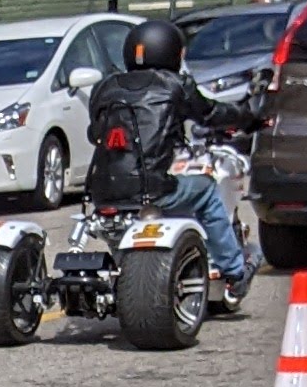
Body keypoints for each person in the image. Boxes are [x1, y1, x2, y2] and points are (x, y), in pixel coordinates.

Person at [87, 17, 255, 306]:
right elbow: (210, 113)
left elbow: (95, 132)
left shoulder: (105, 87)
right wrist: (248, 115)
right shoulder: (175, 85)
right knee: (204, 189)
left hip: (101, 191)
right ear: (173, 53)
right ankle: (235, 271)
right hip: (152, 190)